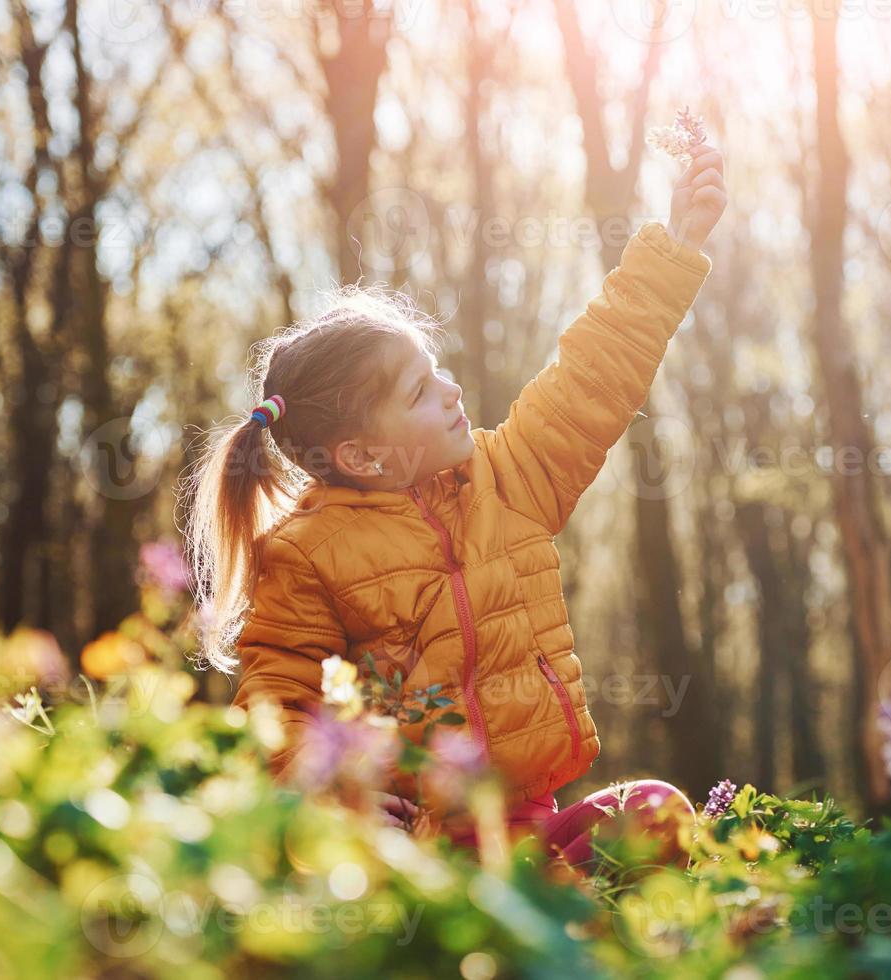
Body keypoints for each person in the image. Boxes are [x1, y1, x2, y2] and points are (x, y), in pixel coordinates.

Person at [184, 143, 728, 870]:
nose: (449, 390)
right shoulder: (306, 553)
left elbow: (591, 379)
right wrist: (330, 803)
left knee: (655, 811)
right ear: (361, 455)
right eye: (417, 390)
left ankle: (550, 925)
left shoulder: (509, 478)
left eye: (435, 369)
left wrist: (676, 243)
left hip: (532, 829)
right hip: (422, 854)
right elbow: (274, 704)